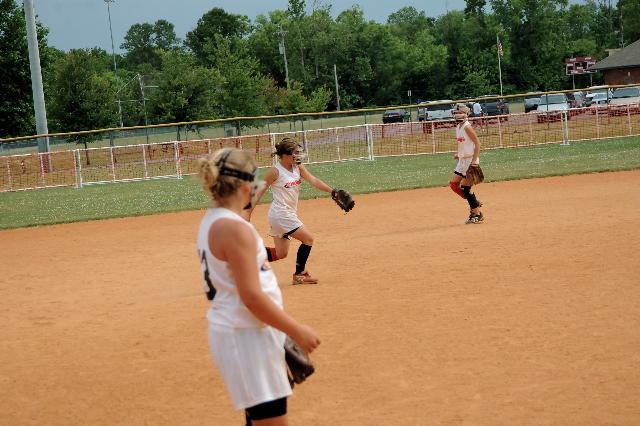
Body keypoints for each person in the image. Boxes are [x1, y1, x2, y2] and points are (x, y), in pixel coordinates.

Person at [196, 148, 321, 425]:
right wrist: (295, 330)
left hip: (243, 331)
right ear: (244, 186)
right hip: (247, 338)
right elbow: (252, 297)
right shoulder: (235, 229)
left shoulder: (213, 219)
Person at [249, 137, 336, 285]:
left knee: (281, 253)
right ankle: (300, 274)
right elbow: (258, 193)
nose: (297, 155)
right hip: (281, 214)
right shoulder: (275, 172)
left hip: (286, 214)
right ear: (285, 155)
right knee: (308, 239)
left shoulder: (298, 167)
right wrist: (247, 213)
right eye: (294, 152)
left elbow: (314, 180)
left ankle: (247, 257)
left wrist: (333, 191)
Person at [449, 103, 484, 224]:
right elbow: (464, 145)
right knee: (454, 185)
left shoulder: (467, 127)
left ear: (466, 114)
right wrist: (459, 154)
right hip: (462, 161)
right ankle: (474, 202)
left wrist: (474, 161)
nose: (457, 115)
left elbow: (477, 143)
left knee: (465, 188)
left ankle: (477, 214)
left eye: (460, 112)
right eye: (456, 113)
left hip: (470, 161)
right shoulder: (458, 127)